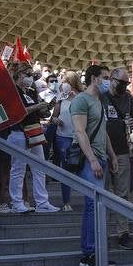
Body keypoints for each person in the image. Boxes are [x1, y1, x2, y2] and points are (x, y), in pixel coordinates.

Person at [73, 64, 118, 266]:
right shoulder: (82, 100)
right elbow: (80, 132)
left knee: (96, 207)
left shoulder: (99, 101)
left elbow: (103, 131)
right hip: (90, 159)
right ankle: (89, 254)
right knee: (93, 205)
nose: (109, 81)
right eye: (106, 77)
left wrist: (112, 155)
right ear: (94, 78)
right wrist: (92, 159)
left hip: (101, 158)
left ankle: (94, 253)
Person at [7, 65, 59, 213]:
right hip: (18, 132)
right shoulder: (13, 91)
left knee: (40, 167)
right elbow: (17, 112)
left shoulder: (31, 91)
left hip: (35, 131)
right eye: (27, 74)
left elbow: (40, 113)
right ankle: (16, 202)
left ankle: (42, 201)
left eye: (31, 74)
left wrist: (47, 107)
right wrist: (37, 107)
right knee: (18, 169)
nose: (30, 77)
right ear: (18, 74)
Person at [100, 68, 133, 247]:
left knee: (122, 194)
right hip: (101, 151)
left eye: (127, 83)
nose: (124, 86)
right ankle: (100, 231)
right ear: (112, 79)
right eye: (121, 82)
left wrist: (132, 123)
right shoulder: (100, 96)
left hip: (122, 151)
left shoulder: (128, 98)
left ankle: (123, 233)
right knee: (102, 192)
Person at [51, 73, 80, 211]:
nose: (64, 83)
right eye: (63, 81)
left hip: (79, 138)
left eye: (67, 80)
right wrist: (56, 120)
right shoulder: (60, 98)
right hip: (62, 137)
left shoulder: (81, 97)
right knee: (66, 168)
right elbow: (54, 117)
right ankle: (66, 201)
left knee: (81, 167)